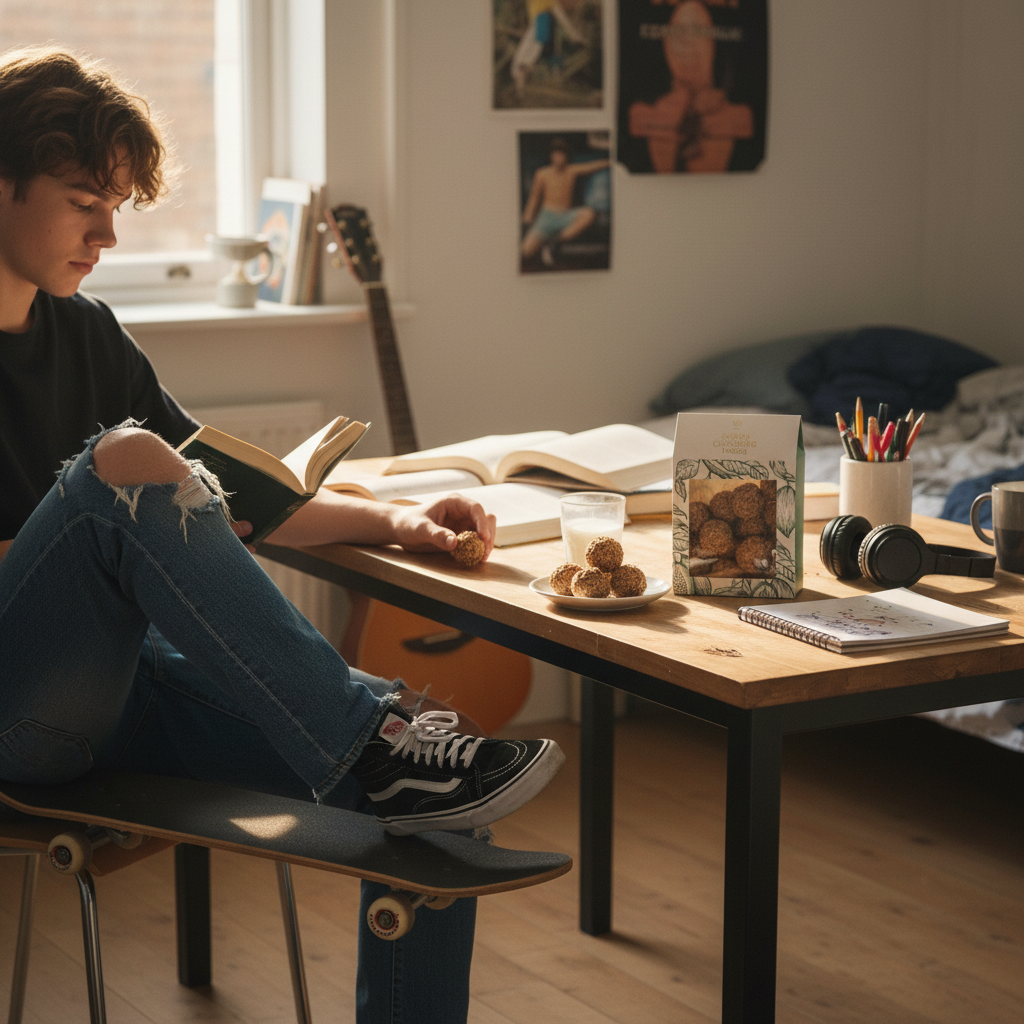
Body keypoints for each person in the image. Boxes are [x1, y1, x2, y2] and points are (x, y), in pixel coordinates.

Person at [0, 45, 564, 1023]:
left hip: (121, 695)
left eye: (119, 207)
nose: (107, 234)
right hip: (14, 706)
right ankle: (364, 738)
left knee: (441, 798)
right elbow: (140, 482)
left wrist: (405, 523)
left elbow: (238, 496)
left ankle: (379, 748)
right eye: (84, 199)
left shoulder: (85, 330)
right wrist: (95, 540)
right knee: (122, 465)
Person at [627, 0, 754, 173]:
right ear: (665, 45)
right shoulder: (645, 112)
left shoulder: (738, 116)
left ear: (715, 44)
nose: (688, 48)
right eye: (678, 36)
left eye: (699, 34)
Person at [520, 136, 610, 267]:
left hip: (566, 216)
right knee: (525, 252)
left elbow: (592, 166)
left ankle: (555, 242)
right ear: (551, 156)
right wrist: (526, 221)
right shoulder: (542, 173)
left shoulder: (572, 170)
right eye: (555, 155)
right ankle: (543, 244)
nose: (558, 158)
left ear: (566, 157)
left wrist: (611, 160)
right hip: (547, 217)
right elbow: (534, 198)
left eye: (561, 155)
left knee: (588, 214)